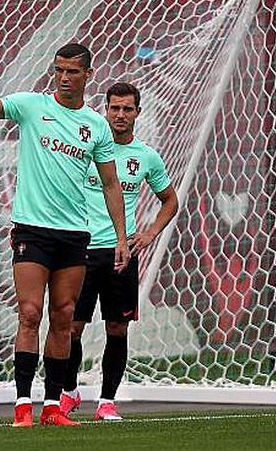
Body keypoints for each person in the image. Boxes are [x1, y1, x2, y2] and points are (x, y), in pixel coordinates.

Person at [0, 43, 128, 427]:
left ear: (88, 75)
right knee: (30, 313)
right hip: (32, 230)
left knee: (63, 317)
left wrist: (120, 236)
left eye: (71, 71)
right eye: (59, 69)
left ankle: (52, 406)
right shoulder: (32, 106)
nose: (63, 77)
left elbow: (111, 184)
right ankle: (21, 407)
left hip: (74, 234)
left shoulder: (95, 126)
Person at [59, 82, 178, 421]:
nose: (120, 114)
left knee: (117, 328)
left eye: (127, 109)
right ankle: (69, 391)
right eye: (115, 108)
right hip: (80, 249)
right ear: (105, 110)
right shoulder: (87, 150)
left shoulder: (145, 157)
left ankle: (107, 401)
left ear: (138, 112)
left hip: (120, 253)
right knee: (70, 328)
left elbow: (170, 199)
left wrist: (151, 232)